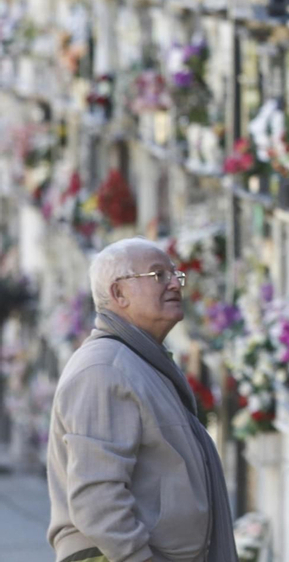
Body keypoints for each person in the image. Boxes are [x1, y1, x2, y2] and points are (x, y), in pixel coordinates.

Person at [46, 238, 236, 562]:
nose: (175, 283)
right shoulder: (104, 368)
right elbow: (97, 498)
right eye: (158, 275)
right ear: (119, 293)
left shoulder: (137, 361)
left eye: (175, 274)